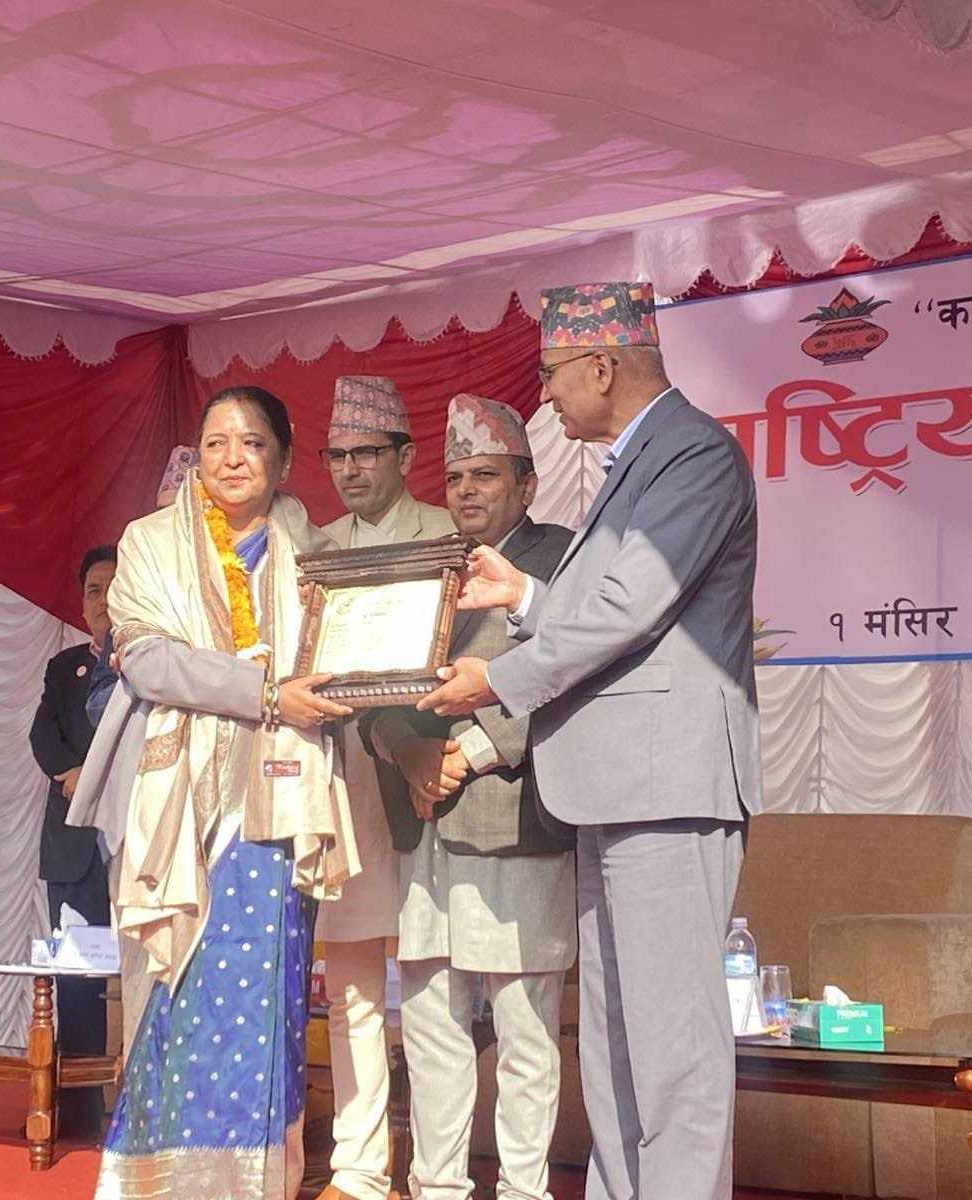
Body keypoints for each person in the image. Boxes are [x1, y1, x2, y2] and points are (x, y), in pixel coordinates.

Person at [418, 282, 761, 1200]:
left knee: (674, 1047)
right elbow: (608, 602)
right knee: (615, 1043)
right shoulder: (637, 459)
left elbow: (629, 607)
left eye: (553, 374)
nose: (547, 395)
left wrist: (498, 678)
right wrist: (525, 598)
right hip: (612, 785)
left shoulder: (694, 454)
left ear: (603, 366)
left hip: (666, 786)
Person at [92, 386, 362, 1200]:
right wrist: (267, 694)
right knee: (173, 991)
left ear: (283, 457)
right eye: (215, 443)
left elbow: (345, 655)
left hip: (278, 801)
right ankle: (162, 1182)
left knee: (265, 996)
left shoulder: (314, 551)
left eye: (251, 443)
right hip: (174, 804)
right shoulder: (149, 543)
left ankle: (257, 1183)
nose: (232, 459)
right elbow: (147, 658)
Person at [368, 393, 575, 1200]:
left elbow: (580, 672)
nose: (466, 491)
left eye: (485, 476)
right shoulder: (424, 562)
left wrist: (473, 752)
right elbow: (370, 684)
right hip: (424, 821)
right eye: (455, 477)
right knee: (429, 1023)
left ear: (527, 484)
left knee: (524, 1028)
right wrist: (408, 749)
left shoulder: (561, 560)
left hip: (515, 819)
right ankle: (437, 1188)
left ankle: (523, 1190)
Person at [315, 374, 455, 1200]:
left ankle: (438, 1175)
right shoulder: (316, 551)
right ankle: (361, 1171)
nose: (350, 470)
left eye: (366, 453)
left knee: (435, 994)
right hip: (343, 784)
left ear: (405, 455)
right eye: (336, 456)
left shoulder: (448, 536)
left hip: (432, 782)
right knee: (353, 989)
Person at [27, 545, 119, 1138]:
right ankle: (81, 1114)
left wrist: (101, 775)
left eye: (113, 587)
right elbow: (44, 733)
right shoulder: (65, 668)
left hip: (138, 842)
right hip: (75, 849)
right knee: (78, 979)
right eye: (93, 590)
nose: (103, 600)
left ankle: (147, 1108)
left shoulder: (153, 665)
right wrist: (73, 774)